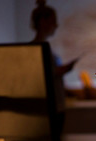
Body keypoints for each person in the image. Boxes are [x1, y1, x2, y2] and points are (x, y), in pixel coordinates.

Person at [30, 0, 78, 130]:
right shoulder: (39, 48)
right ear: (43, 22)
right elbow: (45, 74)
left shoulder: (41, 48)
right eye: (53, 21)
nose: (56, 25)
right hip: (50, 107)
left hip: (51, 106)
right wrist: (63, 70)